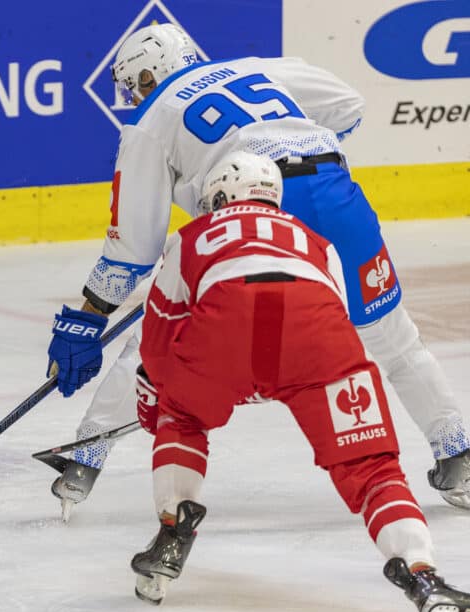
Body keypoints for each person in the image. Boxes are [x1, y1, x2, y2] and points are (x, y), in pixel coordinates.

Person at [44, 23, 470, 517]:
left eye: (134, 84)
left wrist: (89, 317)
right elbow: (348, 104)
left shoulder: (150, 118)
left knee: (160, 335)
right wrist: (288, 139)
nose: (134, 95)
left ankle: (87, 454)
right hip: (334, 192)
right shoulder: (257, 69)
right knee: (394, 339)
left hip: (254, 208)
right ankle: (456, 450)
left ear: (150, 72)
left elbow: (134, 247)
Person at [127, 150, 470, 612]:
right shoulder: (316, 241)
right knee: (371, 465)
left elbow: (159, 339)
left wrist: (170, 397)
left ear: (221, 195)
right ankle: (422, 573)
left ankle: (171, 532)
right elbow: (327, 316)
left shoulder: (191, 237)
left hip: (224, 329)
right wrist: (279, 377)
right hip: (320, 339)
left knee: (182, 418)